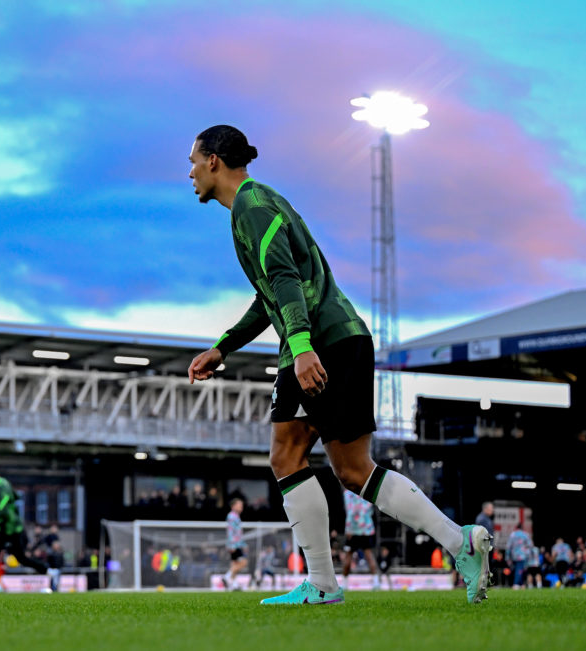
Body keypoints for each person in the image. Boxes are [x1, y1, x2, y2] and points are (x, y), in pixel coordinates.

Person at [185, 125, 492, 606]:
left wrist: (303, 347)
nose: (190, 173)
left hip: (318, 342)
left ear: (215, 162)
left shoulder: (249, 206)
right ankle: (462, 543)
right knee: (352, 470)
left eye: (194, 162)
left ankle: (324, 584)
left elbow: (284, 280)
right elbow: (272, 293)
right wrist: (224, 346)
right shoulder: (265, 201)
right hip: (344, 338)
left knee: (286, 457)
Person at [0, 465, 58, 593]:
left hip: (12, 528)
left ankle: (49, 571)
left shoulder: (2, 486)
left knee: (18, 557)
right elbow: (15, 497)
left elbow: (4, 511)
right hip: (6, 526)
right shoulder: (0, 485)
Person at [341, 490, 380, 590]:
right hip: (366, 528)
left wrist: (348, 528)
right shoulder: (367, 491)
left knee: (349, 555)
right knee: (368, 555)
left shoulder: (347, 493)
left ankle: (344, 584)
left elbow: (350, 510)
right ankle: (376, 583)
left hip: (353, 529)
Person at [222, 498, 247, 591]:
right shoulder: (232, 516)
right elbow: (230, 532)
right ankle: (226, 577)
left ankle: (234, 585)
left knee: (234, 565)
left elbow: (237, 533)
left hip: (237, 544)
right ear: (233, 506)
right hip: (235, 545)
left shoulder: (236, 516)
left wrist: (243, 544)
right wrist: (232, 545)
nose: (241, 507)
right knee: (243, 563)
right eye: (239, 505)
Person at [506, 523, 532, 589]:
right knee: (519, 569)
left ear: (516, 528)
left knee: (517, 569)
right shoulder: (525, 534)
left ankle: (521, 584)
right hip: (522, 555)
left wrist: (507, 557)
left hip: (514, 555)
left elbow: (508, 547)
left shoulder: (513, 534)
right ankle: (516, 584)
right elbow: (530, 545)